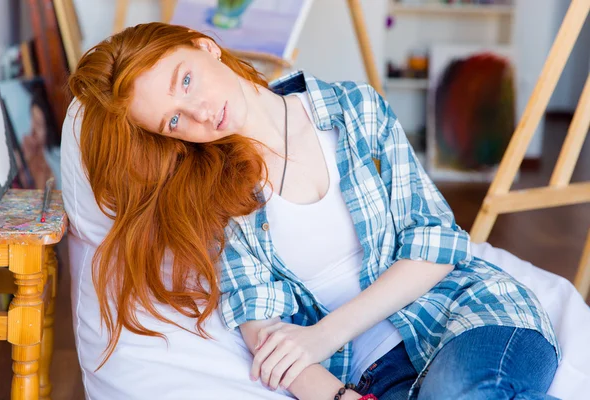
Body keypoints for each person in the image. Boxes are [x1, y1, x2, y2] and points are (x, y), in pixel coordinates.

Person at [68, 22, 560, 400]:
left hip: (469, 315)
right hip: (375, 374)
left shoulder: (353, 109)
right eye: (173, 120)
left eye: (187, 81)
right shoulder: (215, 201)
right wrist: (339, 394)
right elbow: (261, 327)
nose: (197, 113)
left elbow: (436, 242)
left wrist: (323, 336)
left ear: (204, 45)